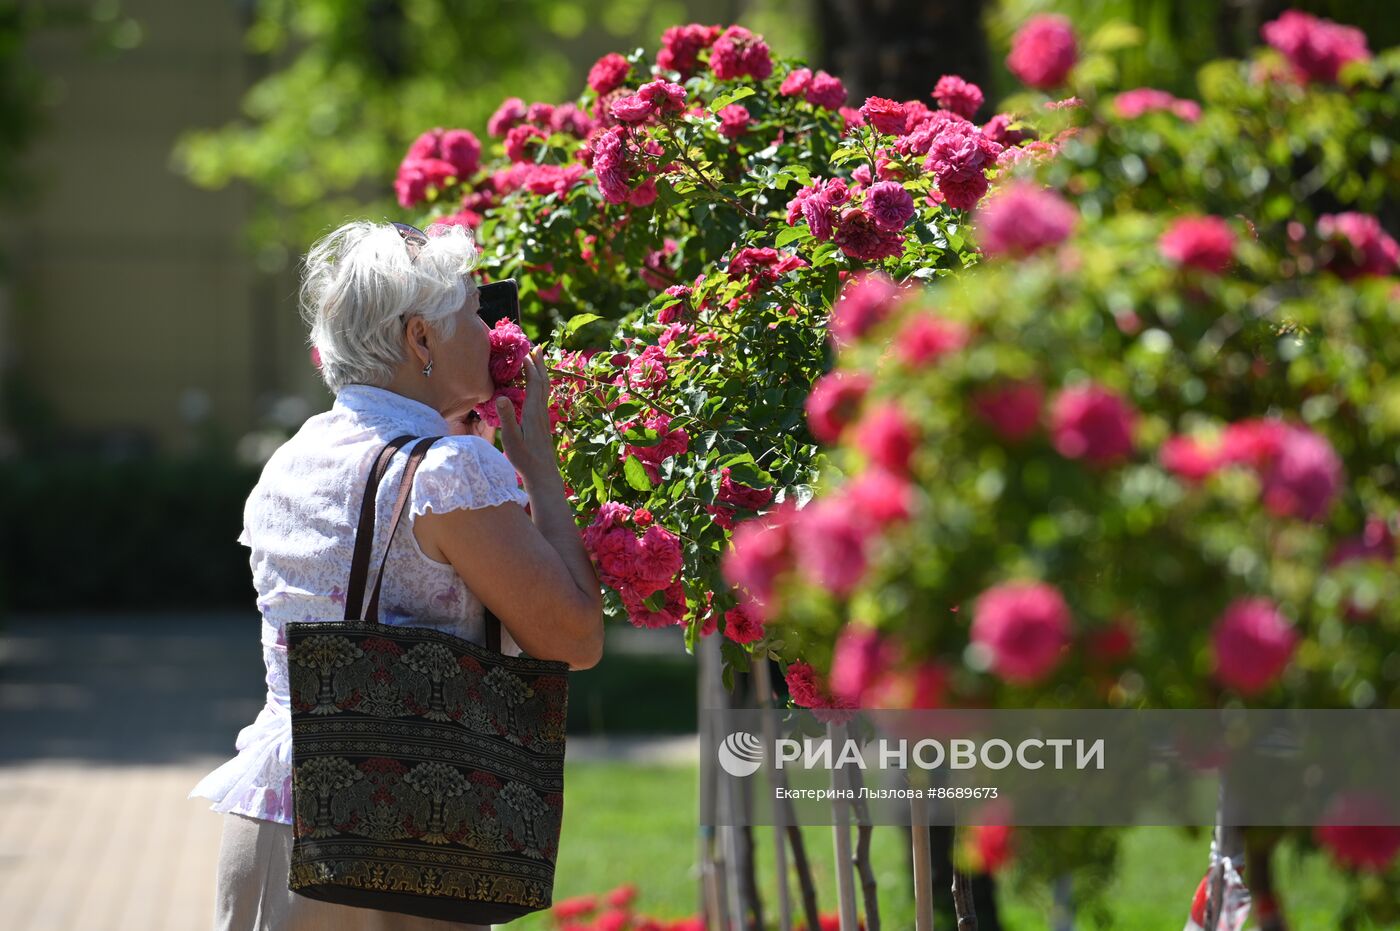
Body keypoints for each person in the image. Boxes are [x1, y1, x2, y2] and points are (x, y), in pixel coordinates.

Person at [189, 219, 604, 930]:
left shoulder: (293, 456)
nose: (492, 327)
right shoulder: (450, 470)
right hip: (397, 832)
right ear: (421, 340)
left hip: (273, 812)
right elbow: (574, 639)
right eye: (474, 310)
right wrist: (538, 466)